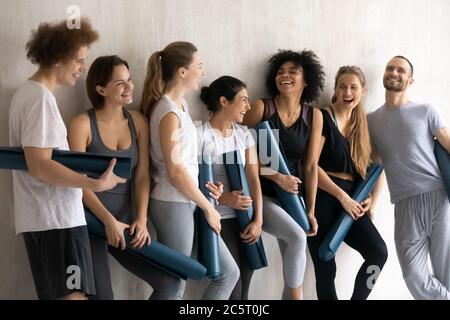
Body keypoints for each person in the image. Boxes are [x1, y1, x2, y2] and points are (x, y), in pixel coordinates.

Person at [8, 18, 125, 300]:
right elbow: (39, 164)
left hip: (44, 221)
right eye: (79, 61)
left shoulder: (28, 94)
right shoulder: (39, 100)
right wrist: (94, 184)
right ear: (58, 59)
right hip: (58, 223)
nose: (83, 68)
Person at [68, 55, 181, 299]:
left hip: (127, 221)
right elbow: (76, 183)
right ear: (101, 89)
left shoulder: (138, 121)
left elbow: (142, 177)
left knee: (170, 283)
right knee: (104, 297)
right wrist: (108, 220)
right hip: (92, 222)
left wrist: (140, 218)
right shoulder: (81, 125)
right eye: (120, 83)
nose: (130, 87)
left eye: (129, 80)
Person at [141, 42, 239, 300]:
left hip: (189, 200)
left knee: (228, 274)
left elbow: (186, 164)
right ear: (183, 71)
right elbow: (174, 171)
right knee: (174, 284)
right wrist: (208, 209)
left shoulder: (181, 106)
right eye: (199, 66)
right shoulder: (168, 111)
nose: (202, 72)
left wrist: (208, 192)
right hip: (172, 203)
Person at [367, 56, 450, 300]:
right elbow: (377, 165)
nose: (394, 72)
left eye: (400, 70)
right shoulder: (371, 120)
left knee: (445, 272)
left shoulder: (425, 111)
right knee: (413, 274)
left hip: (437, 197)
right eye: (390, 68)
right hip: (403, 203)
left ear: (410, 80)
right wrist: (372, 199)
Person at [244, 49, 323, 299]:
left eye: (292, 72)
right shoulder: (261, 108)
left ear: (306, 80)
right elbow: (240, 154)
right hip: (261, 196)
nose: (285, 76)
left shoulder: (314, 116)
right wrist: (278, 178)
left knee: (294, 251)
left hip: (293, 200)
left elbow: (310, 166)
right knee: (298, 239)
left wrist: (309, 209)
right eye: (280, 72)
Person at [307, 66, 388, 300]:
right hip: (324, 196)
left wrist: (371, 199)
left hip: (353, 200)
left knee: (378, 253)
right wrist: (340, 197)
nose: (347, 91)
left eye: (353, 87)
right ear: (335, 89)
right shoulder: (322, 116)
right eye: (342, 86)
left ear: (363, 91)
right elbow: (311, 166)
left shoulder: (362, 125)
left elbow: (374, 168)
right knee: (325, 267)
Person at [197, 76, 262, 300]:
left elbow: (254, 179)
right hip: (219, 219)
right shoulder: (201, 135)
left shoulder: (245, 135)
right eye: (243, 100)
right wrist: (224, 199)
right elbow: (195, 182)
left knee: (245, 287)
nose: (248, 106)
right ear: (224, 101)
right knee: (231, 286)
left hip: (246, 218)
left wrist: (258, 220)